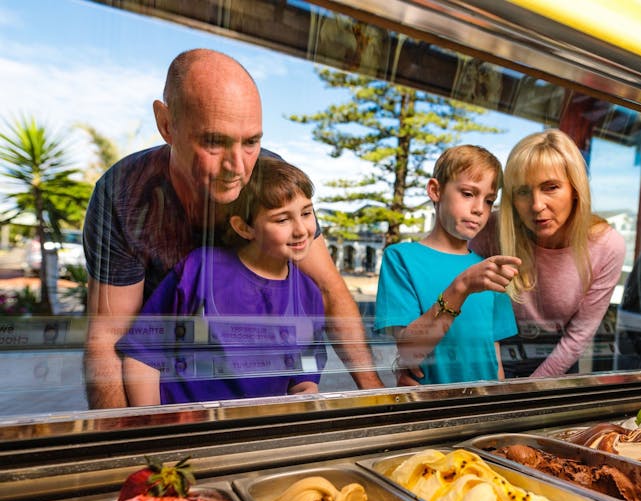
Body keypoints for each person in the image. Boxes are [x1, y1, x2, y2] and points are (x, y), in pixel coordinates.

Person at [84, 48, 383, 408]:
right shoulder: (124, 193)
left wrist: (376, 398)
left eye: (252, 141)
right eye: (214, 141)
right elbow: (111, 338)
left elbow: (327, 293)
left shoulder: (269, 180)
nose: (237, 167)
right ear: (167, 125)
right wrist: (131, 439)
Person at [116, 157, 326, 405]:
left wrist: (307, 389)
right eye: (282, 219)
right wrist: (150, 426)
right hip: (185, 427)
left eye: (306, 212)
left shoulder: (309, 293)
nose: (301, 229)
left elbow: (304, 375)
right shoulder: (200, 269)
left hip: (257, 431)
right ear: (244, 227)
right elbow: (143, 355)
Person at [471, 129, 625, 378]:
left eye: (550, 187)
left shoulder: (607, 246)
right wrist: (496, 385)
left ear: (575, 189)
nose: (536, 205)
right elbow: (470, 309)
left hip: (557, 364)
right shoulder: (490, 229)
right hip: (491, 359)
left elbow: (579, 336)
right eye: (522, 191)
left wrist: (529, 391)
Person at [374, 145, 521, 386]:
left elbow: (495, 358)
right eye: (467, 193)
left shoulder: (489, 269)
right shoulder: (401, 258)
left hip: (483, 409)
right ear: (435, 190)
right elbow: (410, 351)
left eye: (489, 200)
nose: (479, 209)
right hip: (431, 409)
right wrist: (461, 287)